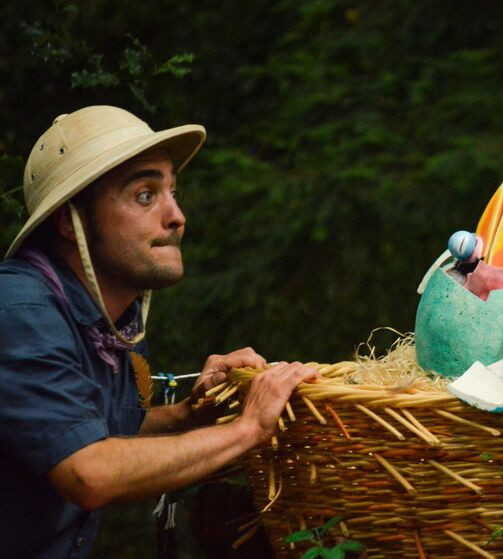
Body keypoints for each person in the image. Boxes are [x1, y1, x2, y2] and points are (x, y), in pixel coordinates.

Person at [0, 106, 319, 558]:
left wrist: (192, 414)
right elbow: (89, 471)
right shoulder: (19, 310)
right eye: (145, 195)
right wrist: (249, 428)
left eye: (172, 191)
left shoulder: (116, 323)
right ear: (69, 222)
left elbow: (103, 426)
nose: (177, 216)